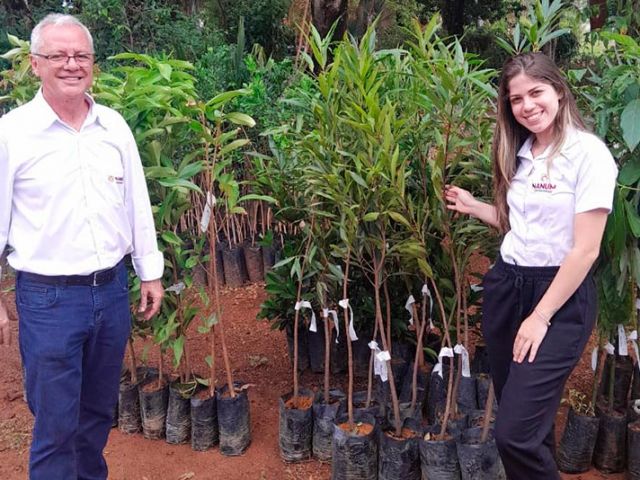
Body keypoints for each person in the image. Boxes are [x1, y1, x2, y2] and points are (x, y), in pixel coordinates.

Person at [0, 13, 164, 480]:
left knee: (95, 416)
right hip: (48, 300)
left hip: (110, 293)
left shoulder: (112, 127)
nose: (71, 64)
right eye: (58, 55)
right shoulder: (12, 133)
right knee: (56, 427)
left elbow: (136, 201)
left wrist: (149, 270)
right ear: (35, 64)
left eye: (81, 55)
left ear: (92, 62)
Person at [445, 52, 617, 479]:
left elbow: (585, 250)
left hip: (559, 298)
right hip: (508, 286)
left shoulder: (587, 155)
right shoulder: (520, 152)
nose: (527, 105)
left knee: (515, 433)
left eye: (536, 92)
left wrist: (541, 316)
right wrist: (475, 207)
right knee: (530, 425)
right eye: (516, 98)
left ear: (558, 91)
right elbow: (521, 224)